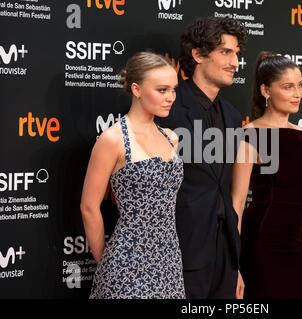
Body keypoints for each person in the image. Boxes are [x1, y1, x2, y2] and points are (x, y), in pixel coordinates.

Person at [154, 17, 247, 299]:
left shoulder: (232, 116)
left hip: (225, 251)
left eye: (237, 53)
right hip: (180, 250)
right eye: (225, 52)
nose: (235, 62)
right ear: (198, 55)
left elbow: (228, 188)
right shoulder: (168, 109)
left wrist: (236, 263)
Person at [80, 51, 185, 299]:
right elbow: (89, 207)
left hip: (169, 258)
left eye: (173, 89)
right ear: (136, 90)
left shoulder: (171, 137)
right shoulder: (113, 139)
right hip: (126, 260)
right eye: (162, 90)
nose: (170, 97)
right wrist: (106, 264)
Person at [231, 51, 302, 298]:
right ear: (266, 91)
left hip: (297, 246)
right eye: (288, 87)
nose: (297, 93)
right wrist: (234, 266)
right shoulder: (250, 135)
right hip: (262, 243)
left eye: (300, 86)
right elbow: (237, 204)